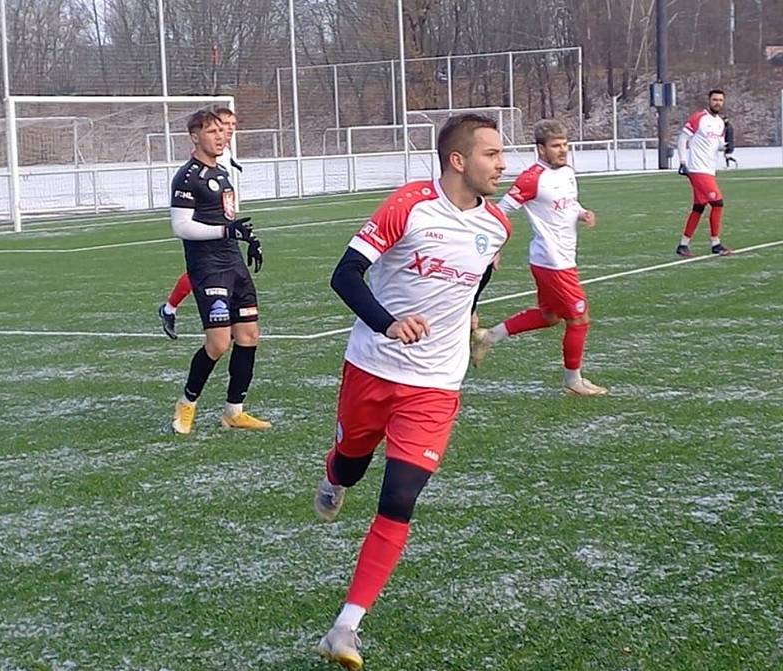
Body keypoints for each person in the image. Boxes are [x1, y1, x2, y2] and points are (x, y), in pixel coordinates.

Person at [313, 113, 510, 670]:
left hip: (437, 384)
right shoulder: (409, 205)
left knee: (399, 496)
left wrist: (467, 320)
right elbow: (345, 275)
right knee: (351, 466)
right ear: (458, 160)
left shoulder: (496, 226)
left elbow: (478, 278)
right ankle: (333, 474)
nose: (502, 164)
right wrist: (388, 322)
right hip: (373, 367)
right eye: (492, 154)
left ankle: (345, 627)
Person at [470, 119, 607, 397]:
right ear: (541, 149)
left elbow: (569, 203)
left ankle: (489, 336)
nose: (563, 150)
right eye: (556, 146)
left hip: (563, 257)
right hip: (552, 261)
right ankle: (573, 380)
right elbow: (499, 211)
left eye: (565, 145)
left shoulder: (568, 171)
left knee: (550, 315)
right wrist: (492, 248)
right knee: (580, 319)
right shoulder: (532, 178)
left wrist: (582, 213)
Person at [168, 109, 269, 434]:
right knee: (218, 343)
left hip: (233, 263)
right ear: (195, 136)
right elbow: (181, 226)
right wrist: (225, 233)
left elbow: (226, 220)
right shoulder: (187, 177)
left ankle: (233, 412)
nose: (221, 136)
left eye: (223, 132)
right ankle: (186, 404)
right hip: (208, 267)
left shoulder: (223, 173)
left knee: (249, 336)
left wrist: (247, 239)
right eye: (213, 132)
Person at [159, 107, 243, 339]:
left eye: (233, 125)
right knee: (198, 274)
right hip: (206, 237)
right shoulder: (197, 166)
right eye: (227, 124)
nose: (229, 130)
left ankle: (171, 310)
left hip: (226, 244)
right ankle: (169, 309)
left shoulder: (222, 153)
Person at [675, 89, 734, 258]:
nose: (717, 102)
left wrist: (727, 148)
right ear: (709, 100)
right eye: (715, 99)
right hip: (697, 169)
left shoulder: (720, 123)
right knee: (718, 203)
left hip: (709, 169)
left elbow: (718, 145)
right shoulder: (698, 118)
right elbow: (682, 139)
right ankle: (716, 244)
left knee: (699, 207)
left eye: (720, 100)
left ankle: (683, 245)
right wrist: (682, 162)